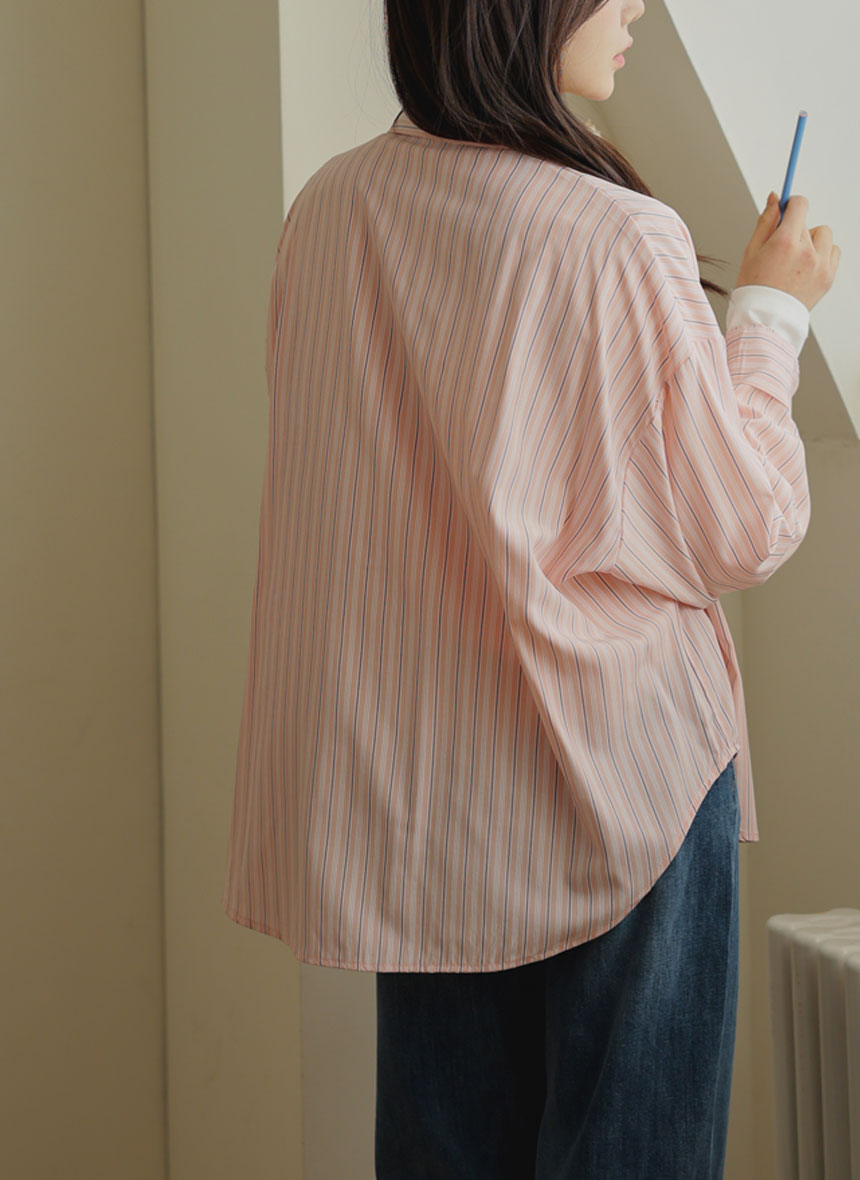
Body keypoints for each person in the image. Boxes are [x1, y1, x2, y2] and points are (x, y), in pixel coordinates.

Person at [221, 0, 841, 1175]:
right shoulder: (612, 233)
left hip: (422, 793)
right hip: (620, 775)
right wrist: (769, 316)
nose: (636, 5)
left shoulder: (329, 209)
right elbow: (742, 524)